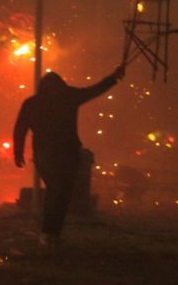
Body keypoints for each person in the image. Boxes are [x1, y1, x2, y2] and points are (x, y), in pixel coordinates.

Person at [13, 65, 124, 247]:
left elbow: (20, 129)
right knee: (59, 193)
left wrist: (18, 152)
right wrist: (113, 78)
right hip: (65, 154)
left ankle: (50, 234)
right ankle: (50, 233)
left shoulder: (33, 103)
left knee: (57, 192)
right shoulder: (67, 98)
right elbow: (94, 90)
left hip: (46, 155)